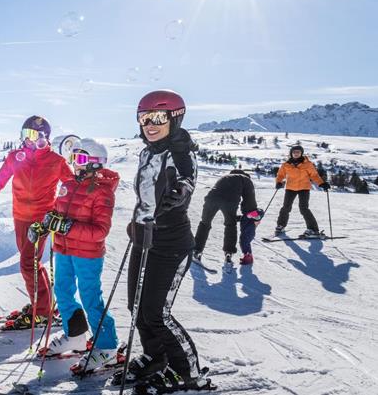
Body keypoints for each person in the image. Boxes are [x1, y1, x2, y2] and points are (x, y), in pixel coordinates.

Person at [113, 89, 210, 394]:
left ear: (175, 118)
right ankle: (156, 358)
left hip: (170, 242)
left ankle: (188, 373)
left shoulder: (180, 150)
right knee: (137, 307)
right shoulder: (147, 152)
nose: (149, 124)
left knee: (157, 313)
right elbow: (146, 194)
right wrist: (138, 221)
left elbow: (186, 179)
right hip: (144, 238)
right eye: (143, 118)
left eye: (157, 117)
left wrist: (179, 192)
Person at [0, 116, 74, 329]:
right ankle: (44, 304)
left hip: (41, 219)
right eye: (25, 135)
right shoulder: (15, 157)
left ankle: (41, 312)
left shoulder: (56, 161)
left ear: (45, 138)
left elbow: (72, 187)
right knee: (31, 263)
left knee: (28, 263)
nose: (29, 140)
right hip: (20, 216)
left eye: (34, 135)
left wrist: (59, 210)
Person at [32, 138, 122, 373]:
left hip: (87, 254)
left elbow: (100, 232)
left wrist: (67, 227)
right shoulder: (69, 184)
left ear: (95, 163)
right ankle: (76, 336)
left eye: (81, 159)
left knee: (90, 297)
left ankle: (107, 347)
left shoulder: (103, 193)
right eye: (73, 158)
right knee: (62, 291)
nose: (75, 164)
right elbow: (57, 210)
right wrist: (44, 224)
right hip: (62, 249)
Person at [193, 169, 263, 265]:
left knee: (205, 223)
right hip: (229, 202)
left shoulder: (225, 177)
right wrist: (250, 216)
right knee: (230, 224)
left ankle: (196, 250)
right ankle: (228, 253)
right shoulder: (246, 180)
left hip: (211, 199)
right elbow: (250, 203)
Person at [274, 145, 330, 237]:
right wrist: (278, 182)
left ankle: (312, 229)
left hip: (304, 188)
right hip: (290, 188)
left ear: (301, 153)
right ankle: (281, 225)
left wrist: (321, 183)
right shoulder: (286, 165)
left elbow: (314, 175)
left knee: (303, 208)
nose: (296, 154)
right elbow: (280, 175)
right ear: (291, 154)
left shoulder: (307, 164)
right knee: (286, 207)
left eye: (298, 152)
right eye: (294, 152)